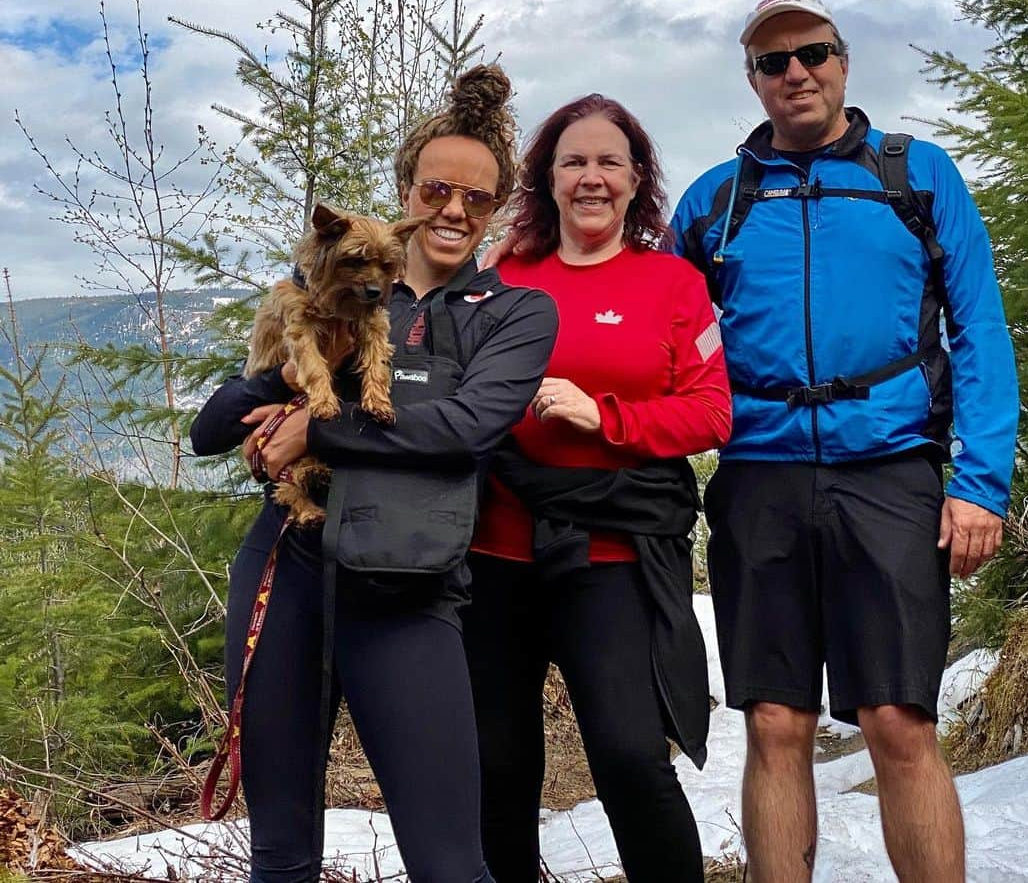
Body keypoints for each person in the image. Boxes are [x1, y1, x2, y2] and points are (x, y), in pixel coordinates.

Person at [670, 0, 1019, 883]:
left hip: (892, 471)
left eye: (813, 53)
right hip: (759, 475)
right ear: (752, 79)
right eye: (773, 62)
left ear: (844, 61)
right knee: (775, 722)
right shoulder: (717, 200)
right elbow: (661, 339)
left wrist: (980, 483)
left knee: (897, 720)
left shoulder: (919, 176)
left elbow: (979, 328)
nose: (797, 74)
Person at [190, 65, 557, 883]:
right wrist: (279, 385)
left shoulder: (517, 314)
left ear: (497, 212)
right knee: (280, 854)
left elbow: (464, 434)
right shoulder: (332, 288)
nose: (454, 211)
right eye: (435, 190)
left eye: (479, 199)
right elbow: (209, 431)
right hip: (283, 571)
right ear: (405, 189)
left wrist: (316, 430)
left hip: (409, 591)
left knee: (450, 862)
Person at [465, 93, 732, 883]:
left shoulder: (673, 284)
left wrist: (604, 417)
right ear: (546, 178)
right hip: (494, 552)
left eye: (609, 161)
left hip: (611, 557)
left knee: (628, 759)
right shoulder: (499, 278)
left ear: (636, 177)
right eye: (573, 161)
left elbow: (713, 412)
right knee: (499, 771)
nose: (591, 177)